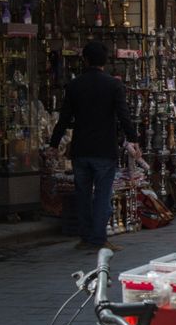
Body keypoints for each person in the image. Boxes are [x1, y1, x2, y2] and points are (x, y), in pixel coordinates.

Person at [48, 41, 141, 251]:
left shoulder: (74, 85)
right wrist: (133, 140)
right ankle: (99, 238)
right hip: (104, 149)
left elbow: (64, 119)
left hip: (81, 149)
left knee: (82, 195)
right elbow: (123, 115)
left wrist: (54, 143)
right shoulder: (113, 85)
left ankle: (85, 237)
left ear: (85, 60)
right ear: (105, 61)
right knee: (102, 195)